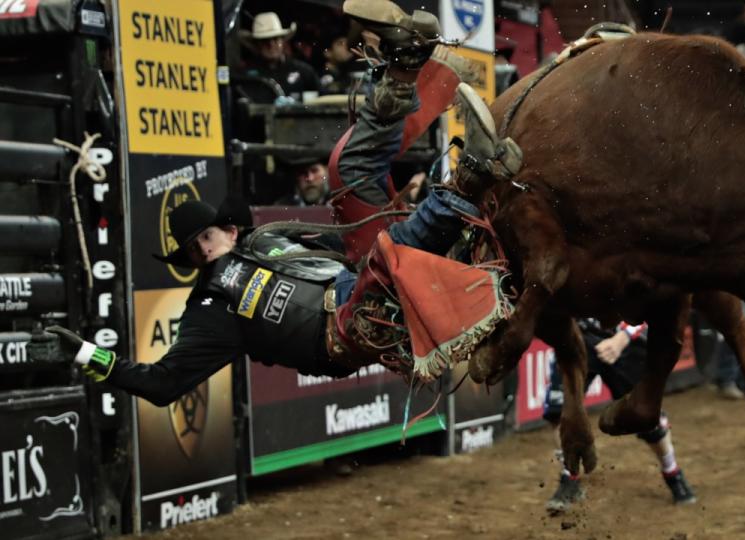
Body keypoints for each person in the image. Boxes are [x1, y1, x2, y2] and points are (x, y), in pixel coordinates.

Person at [37, 1, 523, 403]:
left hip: (357, 280)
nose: (202, 250)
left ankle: (400, 74)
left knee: (346, 171)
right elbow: (161, 384)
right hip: (346, 332)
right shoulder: (209, 310)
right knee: (382, 260)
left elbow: (337, 243)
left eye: (205, 238)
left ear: (228, 231)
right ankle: (469, 180)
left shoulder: (268, 239)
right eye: (193, 250)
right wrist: (87, 355)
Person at [541, 320, 696, 513]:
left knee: (646, 420)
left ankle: (672, 472)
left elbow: (651, 300)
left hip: (625, 342)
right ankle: (570, 479)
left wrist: (622, 338)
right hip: (576, 340)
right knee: (560, 413)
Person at [238, 12, 323, 102]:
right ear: (256, 45)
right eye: (265, 40)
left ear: (283, 41)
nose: (271, 45)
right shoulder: (247, 76)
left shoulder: (304, 72)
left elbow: (322, 100)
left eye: (275, 39)